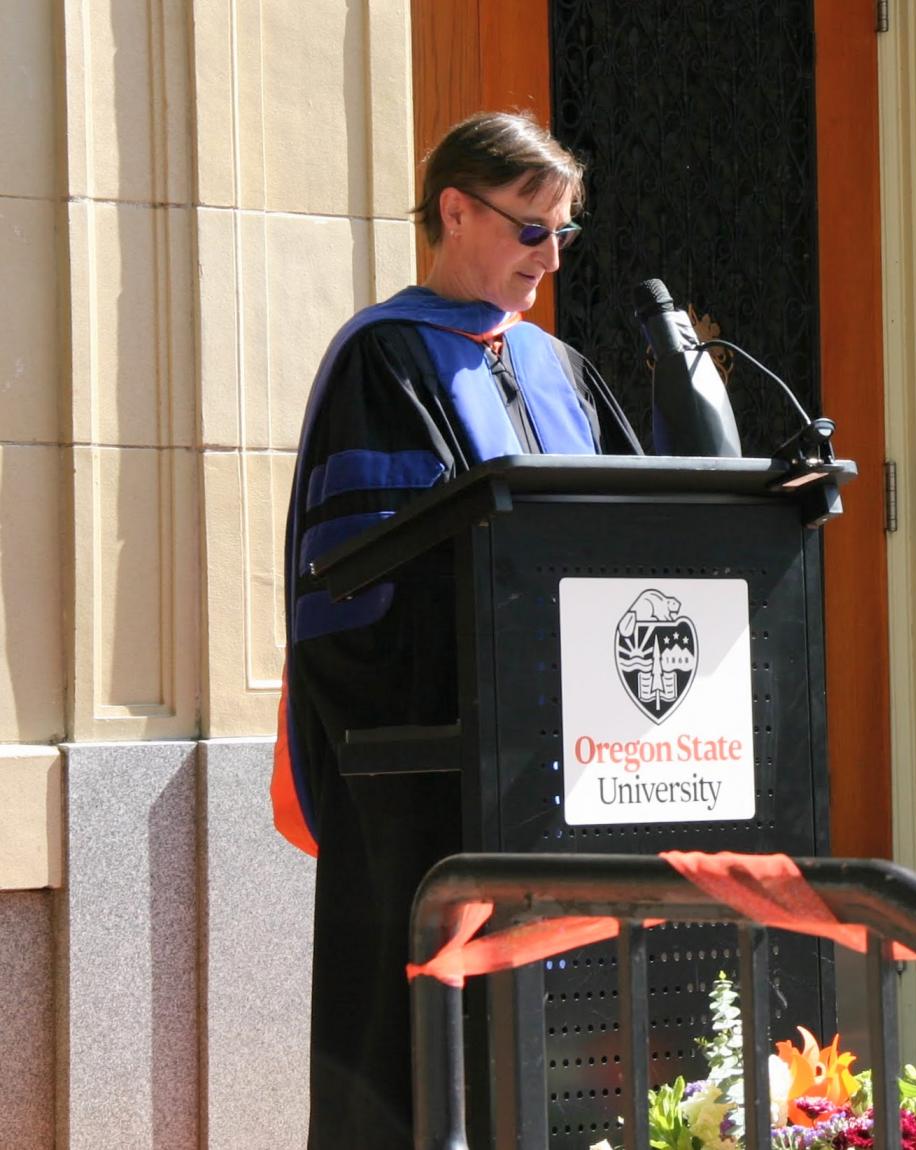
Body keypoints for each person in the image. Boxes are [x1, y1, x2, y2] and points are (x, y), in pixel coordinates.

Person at [270, 111, 640, 1149]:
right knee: (423, 1066)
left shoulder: (562, 370)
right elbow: (362, 589)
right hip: (436, 778)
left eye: (564, 233)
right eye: (531, 230)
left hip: (573, 767)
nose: (549, 258)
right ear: (454, 211)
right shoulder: (382, 363)